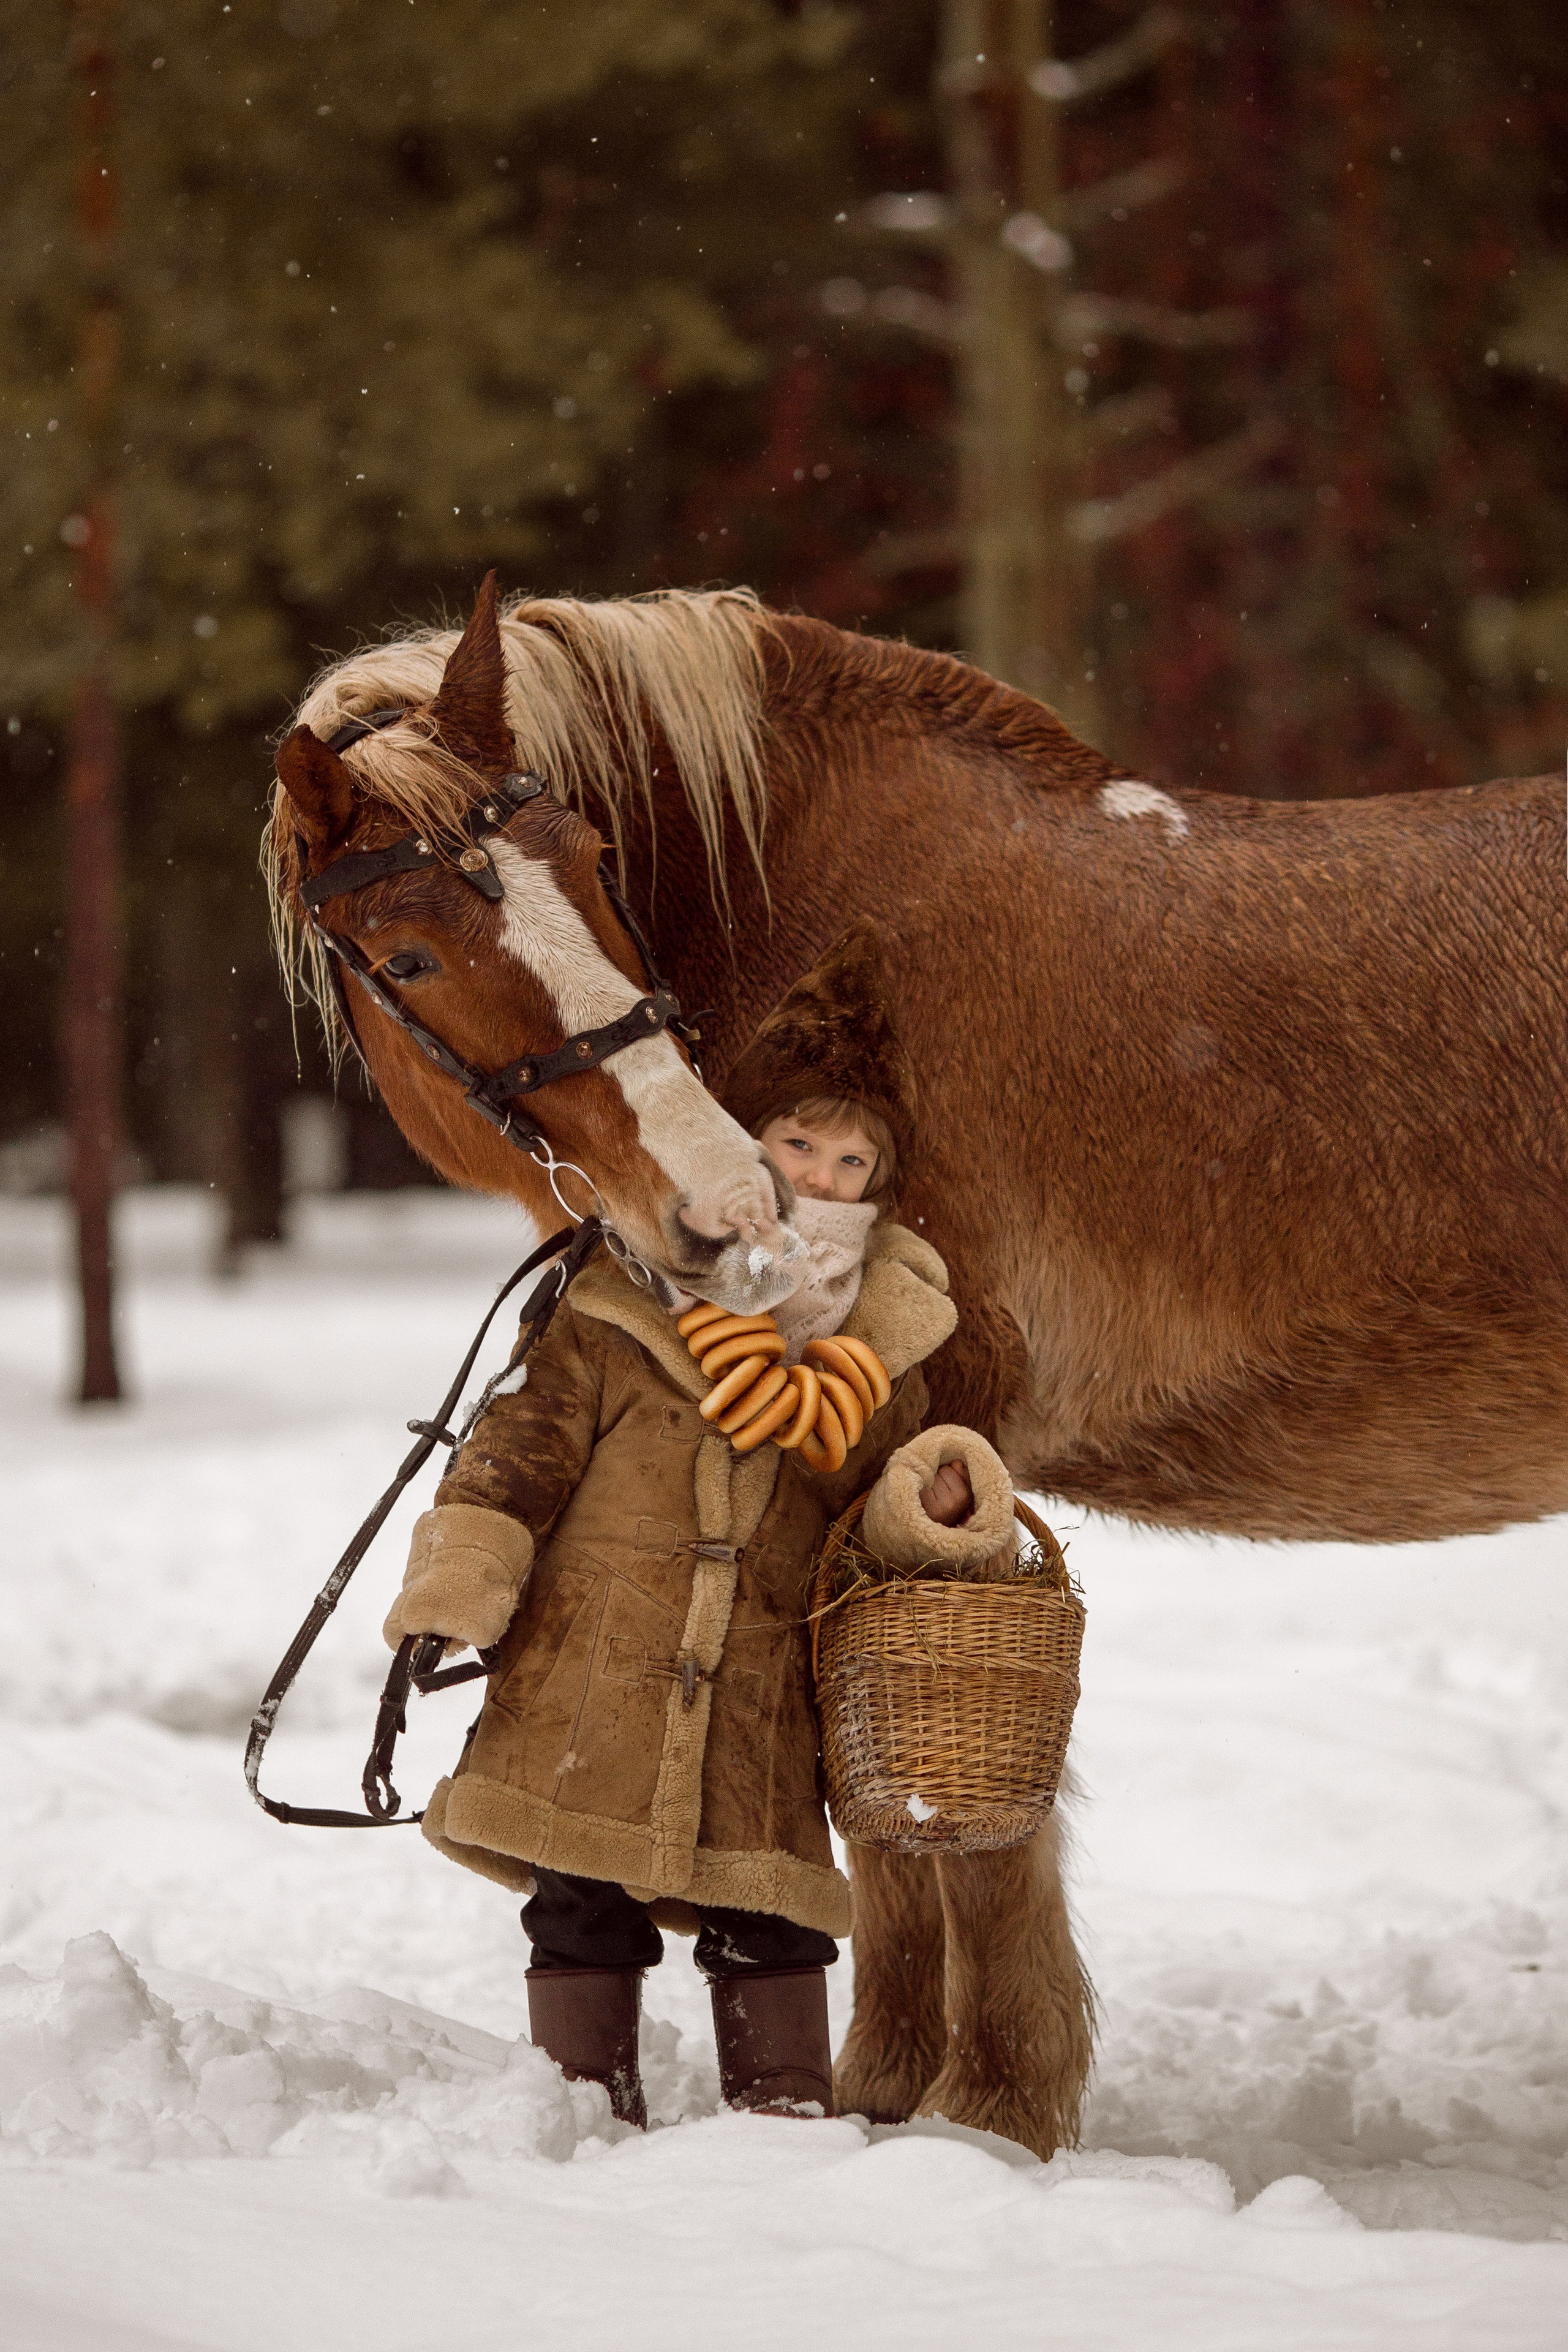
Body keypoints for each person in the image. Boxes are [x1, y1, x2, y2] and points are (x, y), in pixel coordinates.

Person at [380, 922, 987, 2126]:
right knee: (576, 1894)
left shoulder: (882, 1347)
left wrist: (940, 1503)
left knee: (770, 1913)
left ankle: (780, 2109)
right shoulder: (618, 1300)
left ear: (879, 1189)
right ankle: (577, 2099)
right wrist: (454, 1597)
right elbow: (516, 1461)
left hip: (759, 1683)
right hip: (591, 1669)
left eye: (852, 1163)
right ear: (739, 1148)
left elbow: (876, 1505)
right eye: (796, 1143)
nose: (819, 1177)